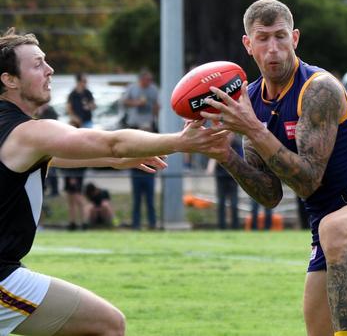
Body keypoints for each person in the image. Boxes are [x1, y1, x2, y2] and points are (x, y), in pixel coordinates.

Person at [201, 0, 347, 336]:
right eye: (263, 38)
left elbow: (308, 182)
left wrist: (254, 130)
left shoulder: (319, 89)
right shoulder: (251, 103)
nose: (274, 49)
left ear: (295, 38)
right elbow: (270, 195)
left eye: (281, 36)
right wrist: (226, 156)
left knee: (334, 228)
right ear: (248, 45)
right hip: (330, 231)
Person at [0, 27, 221, 336]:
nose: (50, 70)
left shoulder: (15, 134)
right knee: (108, 324)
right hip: (2, 278)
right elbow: (111, 143)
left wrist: (119, 160)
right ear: (9, 80)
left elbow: (81, 154)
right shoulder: (29, 133)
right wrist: (180, 141)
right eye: (37, 64)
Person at [121, 69, 160, 230]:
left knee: (150, 197)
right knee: (137, 196)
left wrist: (154, 113)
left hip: (148, 126)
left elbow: (157, 106)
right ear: (141, 80)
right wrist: (137, 103)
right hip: (135, 125)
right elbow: (124, 102)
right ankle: (136, 223)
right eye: (146, 80)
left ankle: (152, 223)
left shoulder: (153, 90)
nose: (148, 83)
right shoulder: (133, 89)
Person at [207, 133, 243, 230]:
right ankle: (221, 227)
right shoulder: (219, 143)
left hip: (233, 178)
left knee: (234, 203)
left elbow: (241, 160)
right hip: (221, 177)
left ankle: (235, 227)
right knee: (221, 203)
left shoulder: (237, 143)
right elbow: (212, 159)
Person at [35, 103, 59, 196]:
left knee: (52, 169)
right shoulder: (39, 111)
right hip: (43, 143)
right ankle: (45, 189)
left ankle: (54, 190)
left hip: (50, 142)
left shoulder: (51, 111)